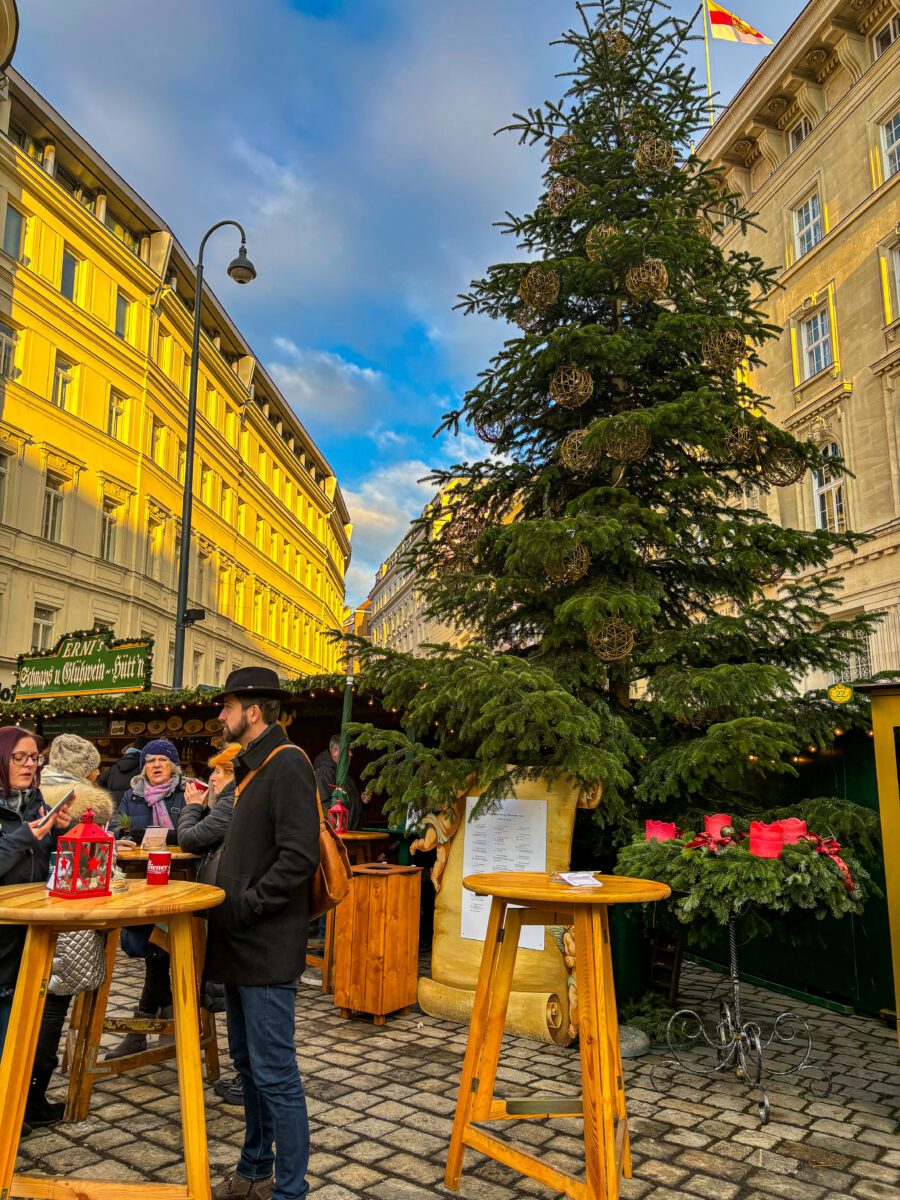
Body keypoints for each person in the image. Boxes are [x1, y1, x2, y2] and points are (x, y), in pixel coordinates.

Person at [206, 666, 319, 1200]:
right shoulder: (252, 767)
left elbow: (299, 857)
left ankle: (289, 1192)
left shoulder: (289, 762)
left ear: (253, 711)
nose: (220, 715)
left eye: (226, 706)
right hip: (238, 942)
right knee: (249, 1070)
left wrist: (248, 905)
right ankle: (254, 1172)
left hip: (266, 943)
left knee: (275, 1074)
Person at [32, 734, 114, 1125]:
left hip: (34, 908)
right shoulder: (81, 804)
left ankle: (24, 1093)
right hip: (64, 913)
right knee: (52, 1002)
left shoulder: (34, 788)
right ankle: (31, 1096)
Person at [0, 726, 73, 1135]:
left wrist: (58, 832)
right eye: (20, 758)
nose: (30, 765)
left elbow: (43, 868)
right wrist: (23, 838)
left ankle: (14, 1113)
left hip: (25, 937)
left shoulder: (35, 805)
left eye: (34, 758)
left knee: (19, 1036)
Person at [105, 739, 186, 1059]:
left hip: (177, 882)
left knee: (160, 945)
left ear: (173, 767)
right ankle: (166, 1016)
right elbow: (115, 829)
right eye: (150, 760)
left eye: (162, 761)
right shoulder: (131, 795)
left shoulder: (186, 794)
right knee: (153, 946)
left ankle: (141, 1029)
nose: (155, 765)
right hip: (139, 882)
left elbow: (195, 830)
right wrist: (121, 841)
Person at [177, 742, 243, 1107]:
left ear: (231, 773)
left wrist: (190, 807)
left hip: (230, 907)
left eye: (217, 771)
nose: (211, 777)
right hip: (225, 905)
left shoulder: (232, 800)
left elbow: (192, 839)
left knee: (235, 993)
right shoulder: (228, 800)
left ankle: (243, 1075)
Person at [313, 734, 369, 830]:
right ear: (334, 751)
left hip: (353, 835)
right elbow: (324, 807)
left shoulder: (344, 775)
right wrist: (339, 830)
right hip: (339, 838)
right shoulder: (323, 773)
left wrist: (361, 801)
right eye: (347, 750)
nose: (351, 754)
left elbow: (348, 805)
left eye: (351, 750)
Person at [99, 737, 147, 805]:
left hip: (113, 801)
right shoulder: (145, 767)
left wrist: (109, 793)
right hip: (133, 802)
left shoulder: (115, 766)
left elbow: (100, 781)